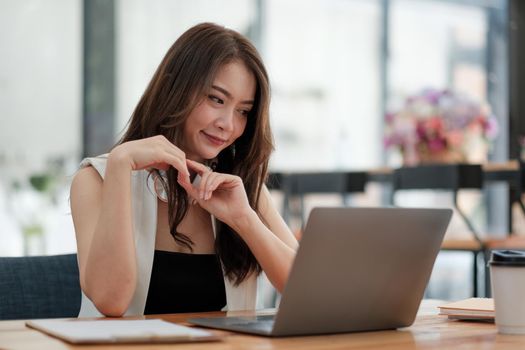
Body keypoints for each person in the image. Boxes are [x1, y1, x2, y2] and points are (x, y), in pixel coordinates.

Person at [70, 22, 298, 317]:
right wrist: (120, 165)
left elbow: (311, 292)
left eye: (243, 111)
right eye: (216, 99)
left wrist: (244, 219)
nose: (228, 124)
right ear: (176, 88)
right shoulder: (96, 179)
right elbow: (110, 300)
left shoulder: (242, 188)